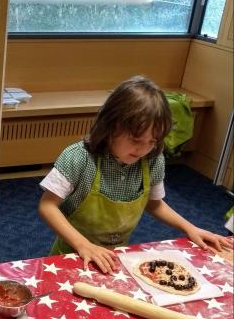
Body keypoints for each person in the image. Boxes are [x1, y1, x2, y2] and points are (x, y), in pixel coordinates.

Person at [38, 76, 231, 274]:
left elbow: (154, 203)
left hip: (114, 258)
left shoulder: (153, 160)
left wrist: (190, 228)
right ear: (110, 126)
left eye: (152, 141)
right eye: (136, 140)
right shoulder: (78, 158)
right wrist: (82, 244)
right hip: (71, 254)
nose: (143, 149)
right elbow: (47, 205)